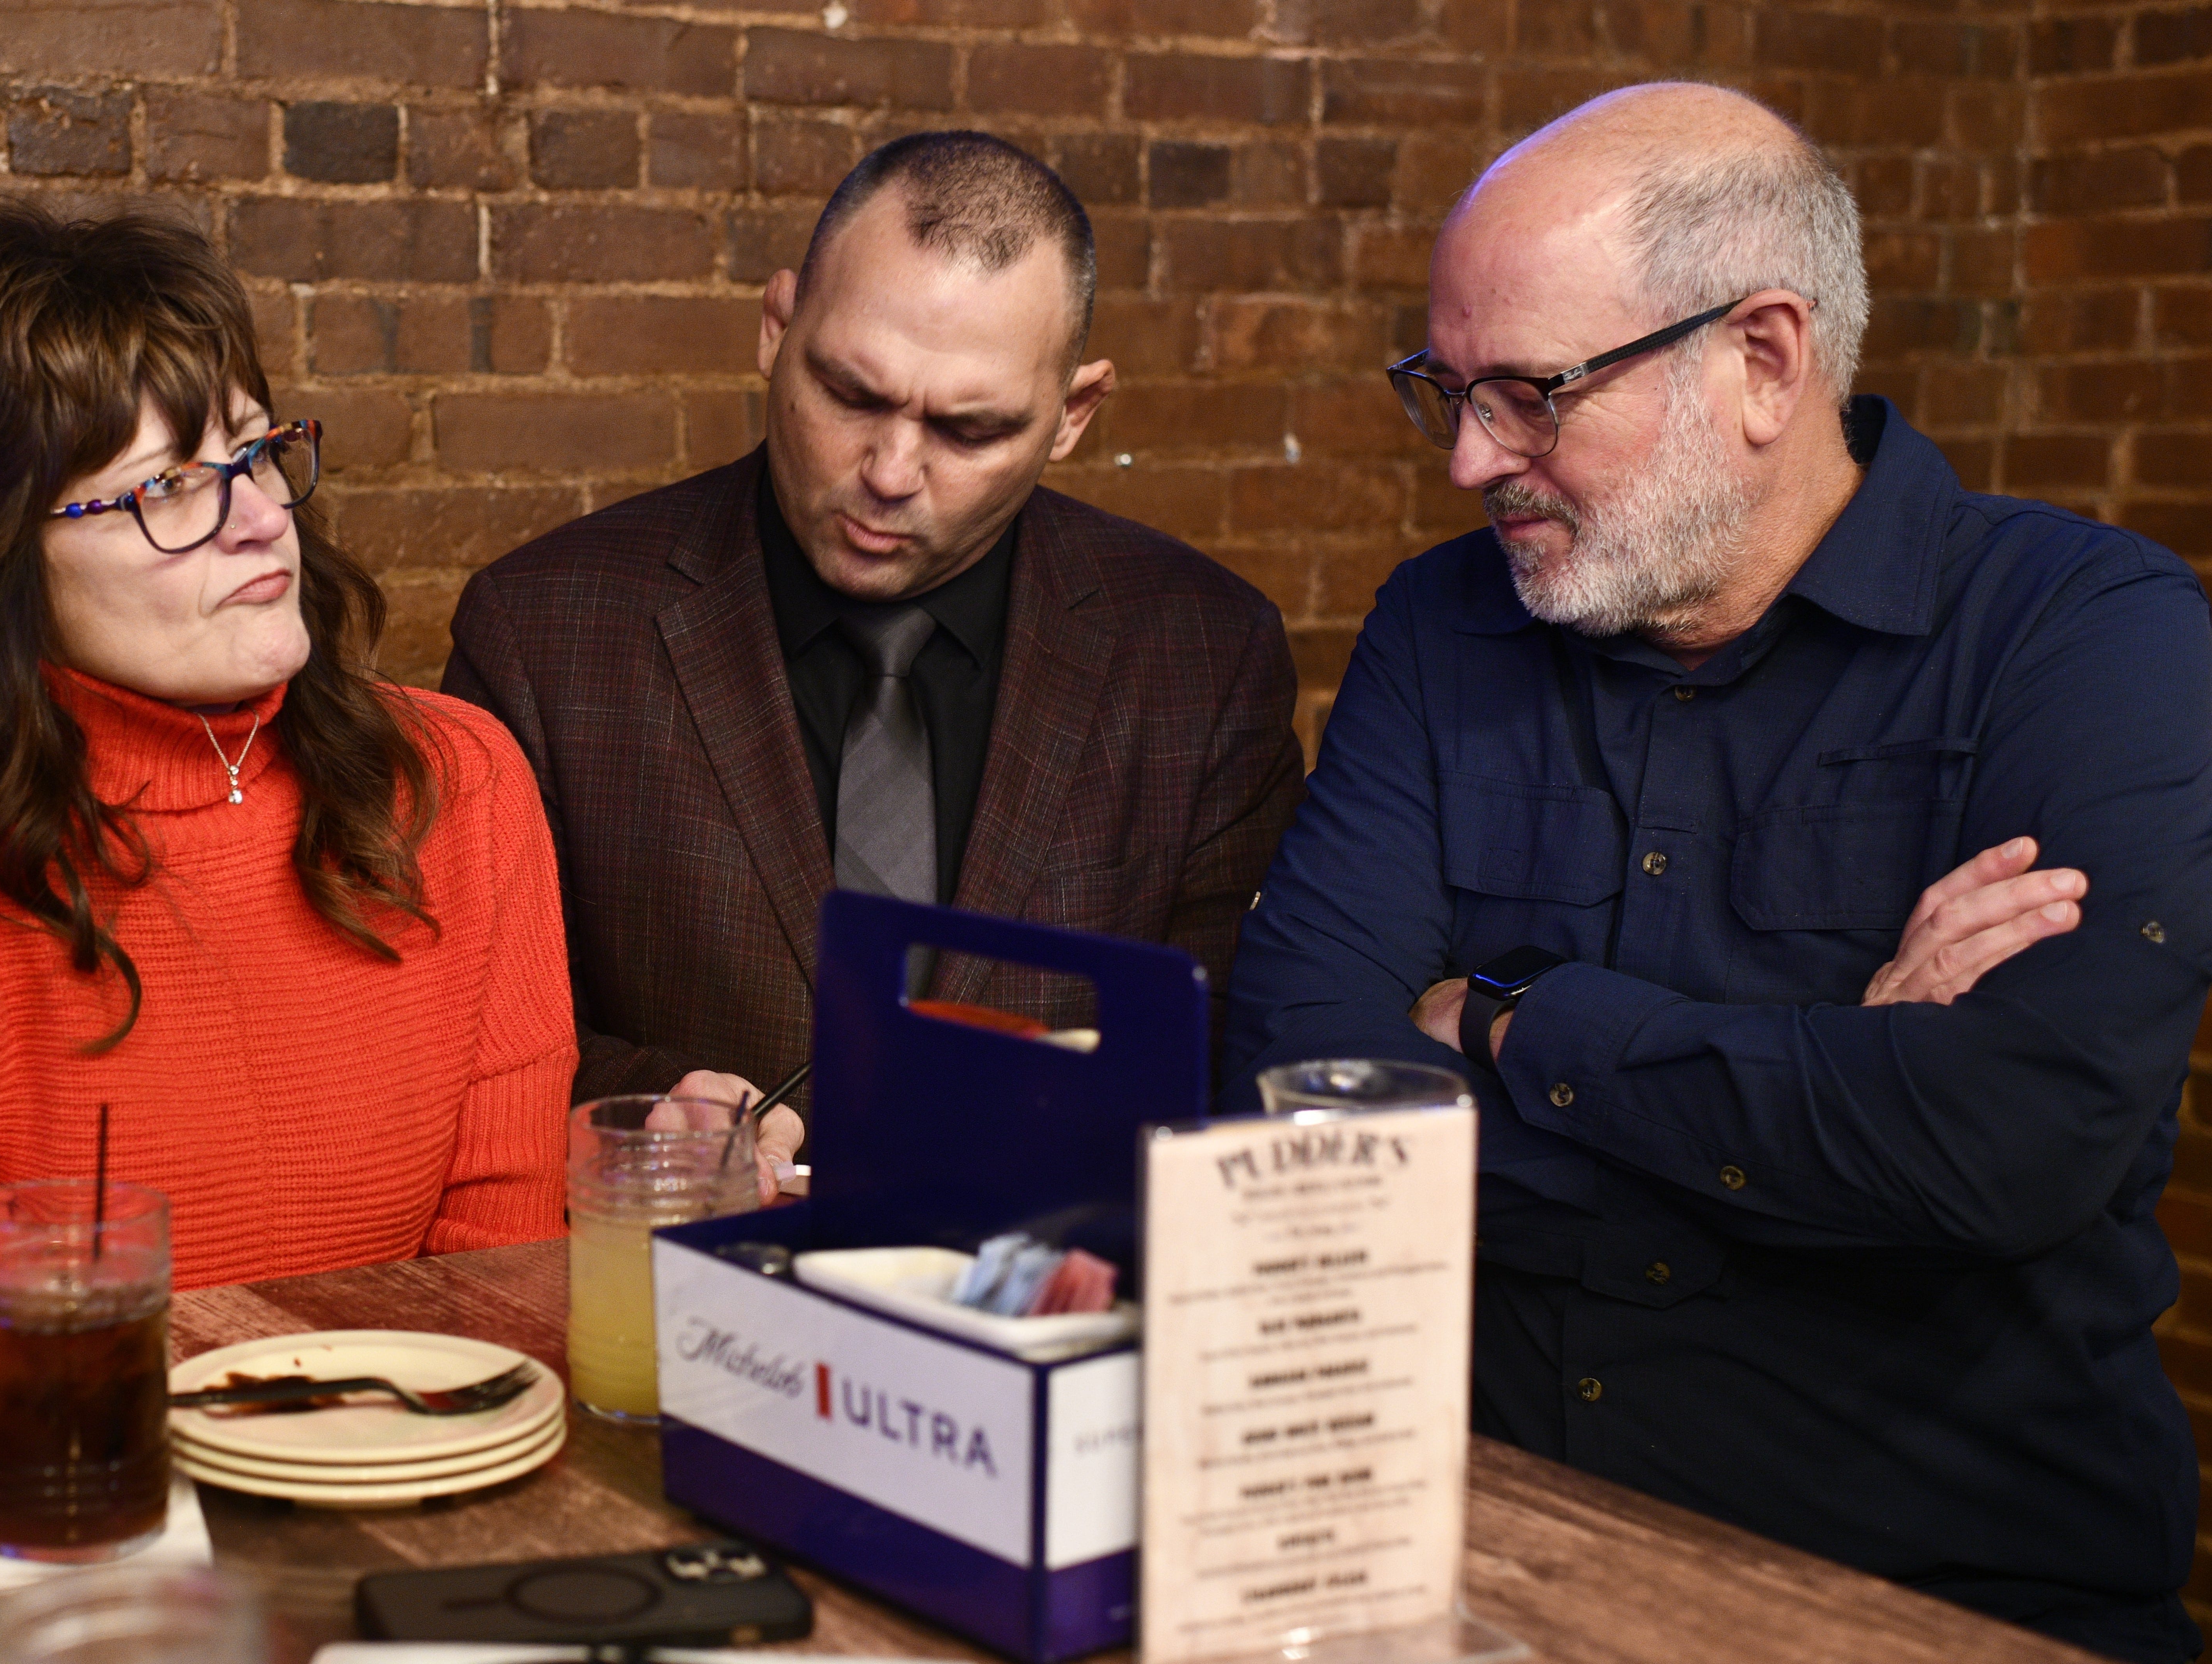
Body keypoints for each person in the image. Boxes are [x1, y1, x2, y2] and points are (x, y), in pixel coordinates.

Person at [1223, 83, 2209, 1664]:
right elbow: (1300, 1099)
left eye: (1531, 394)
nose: (1471, 459)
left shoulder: (2087, 637)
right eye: (1448, 392)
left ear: (1762, 359)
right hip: (1482, 1554)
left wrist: (1515, 1020)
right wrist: (1834, 1093)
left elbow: (2002, 1147)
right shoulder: (1440, 626)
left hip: (1940, 1603)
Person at [0, 197, 577, 1348]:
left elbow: (499, 1294)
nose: (260, 520)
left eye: (253, 451)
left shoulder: (455, 775)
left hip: (420, 1448)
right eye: (166, 489)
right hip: (63, 1456)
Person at [446, 130, 1304, 1172]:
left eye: (969, 430)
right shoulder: (545, 631)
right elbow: (468, 1038)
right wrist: (662, 1111)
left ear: (1072, 415)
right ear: (777, 330)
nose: (892, 473)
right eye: (853, 395)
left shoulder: (1204, 654)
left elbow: (1235, 1053)